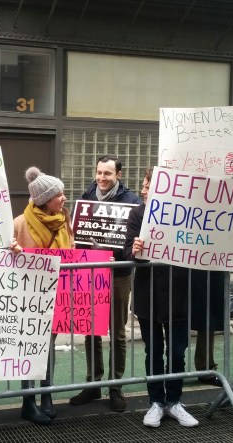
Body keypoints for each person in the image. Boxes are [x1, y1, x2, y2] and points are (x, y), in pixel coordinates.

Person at [126, 167, 233, 429]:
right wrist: (135, 250)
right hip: (148, 296)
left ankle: (174, 402)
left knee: (177, 352)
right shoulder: (138, 214)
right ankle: (155, 403)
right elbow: (128, 251)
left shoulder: (188, 215)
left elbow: (214, 240)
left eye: (148, 184)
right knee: (153, 351)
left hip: (182, 295)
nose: (144, 189)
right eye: (145, 185)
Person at [69, 155, 141, 412]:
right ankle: (93, 383)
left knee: (117, 332)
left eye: (107, 174)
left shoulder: (132, 201)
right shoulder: (86, 195)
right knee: (90, 329)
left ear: (118, 175)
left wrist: (119, 255)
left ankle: (115, 386)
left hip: (118, 273)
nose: (102, 178)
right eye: (99, 172)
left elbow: (135, 239)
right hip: (89, 270)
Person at [12, 166, 73, 425]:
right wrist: (11, 249)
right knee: (28, 348)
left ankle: (46, 393)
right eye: (59, 194)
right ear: (46, 198)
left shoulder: (63, 221)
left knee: (48, 347)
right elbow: (2, 257)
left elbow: (71, 251)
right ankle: (29, 400)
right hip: (28, 297)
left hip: (55, 295)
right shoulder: (20, 223)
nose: (64, 198)